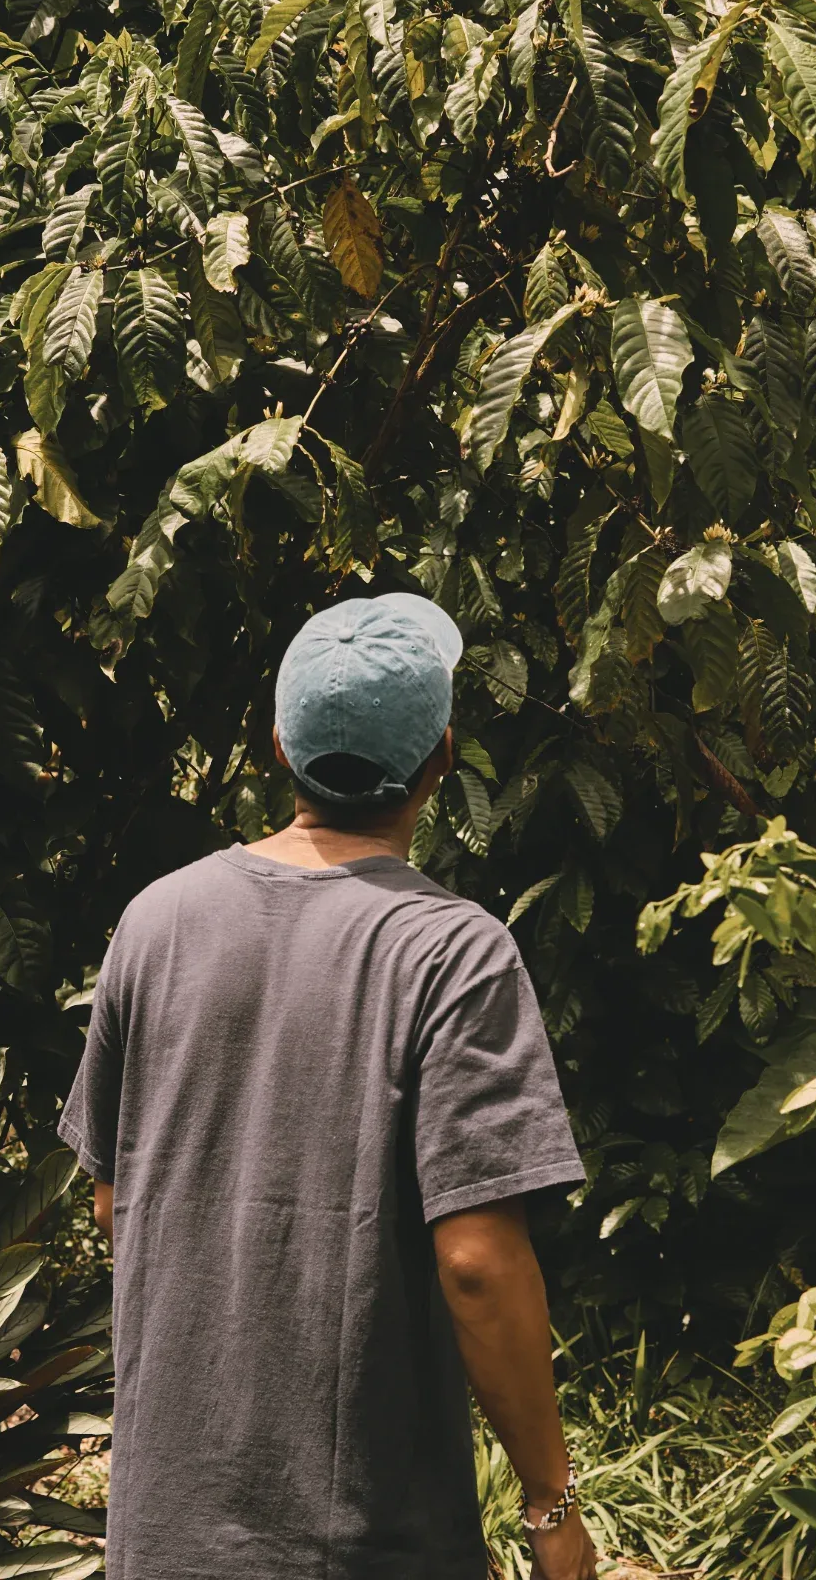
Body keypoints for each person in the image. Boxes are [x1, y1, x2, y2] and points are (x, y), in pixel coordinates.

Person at [59, 591, 598, 1580]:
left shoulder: (156, 923)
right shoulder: (452, 952)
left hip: (163, 1529)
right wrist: (549, 1501)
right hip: (355, 1539)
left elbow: (114, 1203)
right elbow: (476, 1257)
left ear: (276, 744)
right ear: (439, 759)